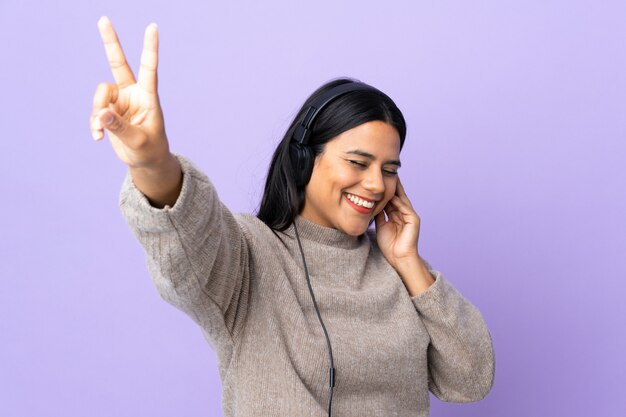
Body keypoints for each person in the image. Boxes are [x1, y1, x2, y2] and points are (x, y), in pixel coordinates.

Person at [90, 16, 495, 417]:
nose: (376, 185)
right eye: (358, 162)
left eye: (389, 170)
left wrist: (409, 263)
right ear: (304, 159)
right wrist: (153, 163)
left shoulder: (397, 270)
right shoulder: (248, 257)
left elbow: (471, 379)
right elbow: (188, 241)